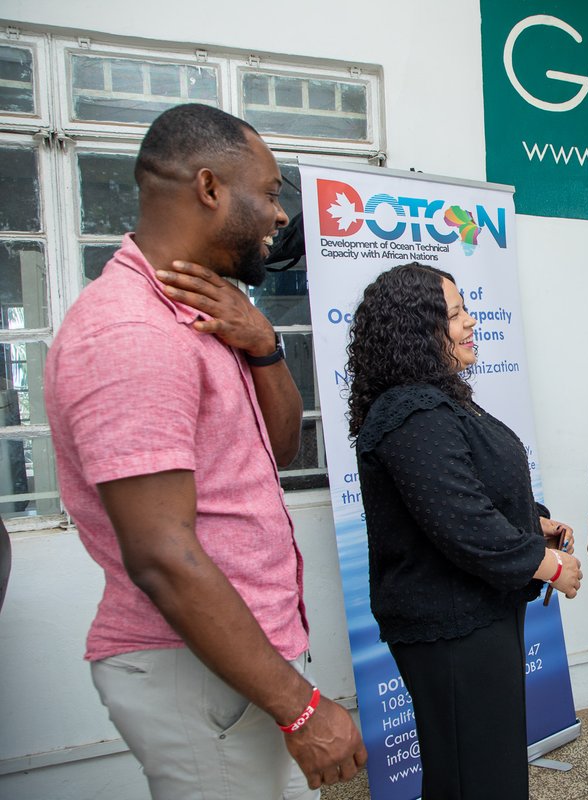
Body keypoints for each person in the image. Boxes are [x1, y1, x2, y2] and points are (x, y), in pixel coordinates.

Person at [43, 103, 366, 799]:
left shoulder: (199, 314)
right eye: (274, 192)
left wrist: (263, 345)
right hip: (194, 667)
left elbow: (271, 455)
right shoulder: (132, 332)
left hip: (235, 657)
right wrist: (302, 707)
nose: (283, 217)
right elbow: (163, 554)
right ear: (211, 187)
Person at [346, 262, 583, 800]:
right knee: (476, 778)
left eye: (466, 309)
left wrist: (533, 521)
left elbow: (466, 489)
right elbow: (463, 524)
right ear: (418, 331)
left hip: (475, 615)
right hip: (451, 627)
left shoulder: (440, 400)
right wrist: (551, 566)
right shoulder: (412, 412)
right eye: (455, 315)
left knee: (481, 768)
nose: (471, 322)